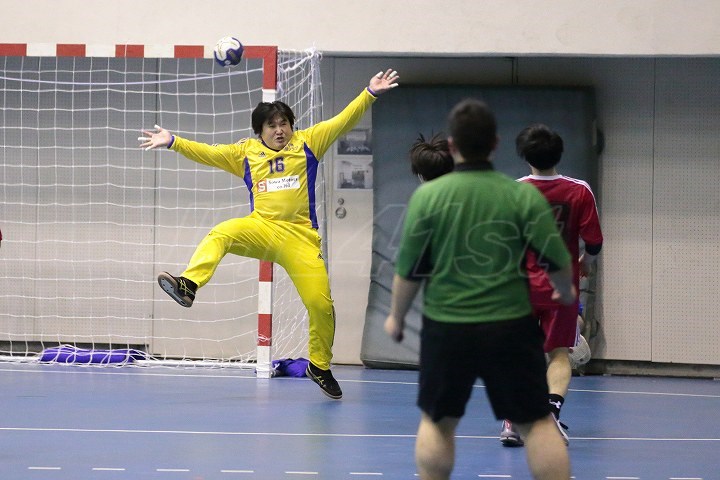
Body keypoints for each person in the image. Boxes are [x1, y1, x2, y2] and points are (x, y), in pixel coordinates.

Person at [139, 69, 400, 400]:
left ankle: (319, 366)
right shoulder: (245, 153)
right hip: (261, 229)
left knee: (320, 305)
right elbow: (209, 153)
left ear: (292, 125)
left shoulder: (308, 142)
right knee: (221, 232)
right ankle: (189, 285)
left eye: (284, 124)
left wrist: (370, 93)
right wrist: (174, 142)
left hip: (300, 238)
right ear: (260, 131)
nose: (280, 130)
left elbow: (342, 121)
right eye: (272, 125)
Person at [384, 99, 575, 480]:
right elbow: (559, 262)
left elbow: (409, 271)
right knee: (537, 423)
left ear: (452, 145)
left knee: (437, 422)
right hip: (510, 327)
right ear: (495, 144)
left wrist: (396, 318)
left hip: (447, 327)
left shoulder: (428, 197)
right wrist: (564, 293)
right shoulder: (521, 195)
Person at [501, 124, 603, 447]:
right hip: (561, 289)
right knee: (558, 353)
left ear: (525, 156)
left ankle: (512, 422)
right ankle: (550, 411)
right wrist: (586, 261)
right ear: (559, 153)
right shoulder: (579, 190)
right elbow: (595, 242)